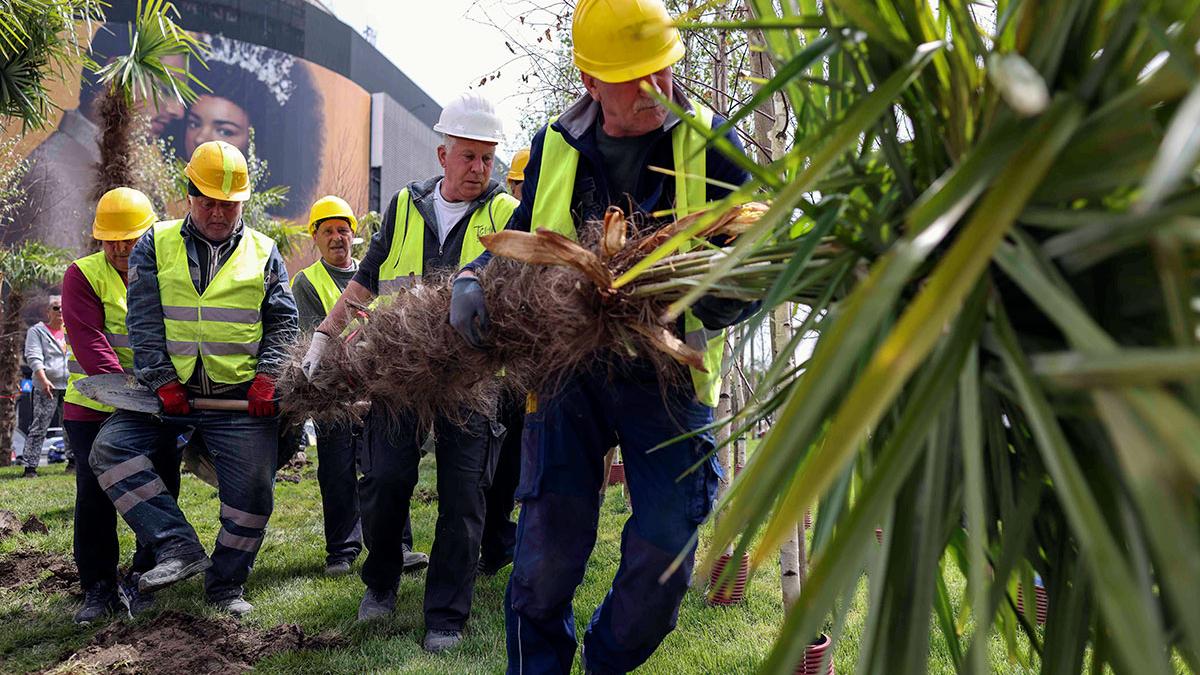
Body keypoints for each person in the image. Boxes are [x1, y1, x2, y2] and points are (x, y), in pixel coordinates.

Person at [448, 1, 755, 671]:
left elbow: (757, 257)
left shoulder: (713, 145)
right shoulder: (556, 145)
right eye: (634, 76)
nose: (656, 88)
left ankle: (606, 660)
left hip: (669, 378)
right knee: (546, 557)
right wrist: (472, 278)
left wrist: (729, 294)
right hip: (569, 372)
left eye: (662, 68)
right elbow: (525, 237)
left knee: (667, 548)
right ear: (589, 80)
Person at [300, 92, 519, 653]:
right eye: (468, 156)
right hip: (399, 374)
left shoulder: (505, 214)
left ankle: (445, 614)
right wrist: (325, 335)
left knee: (463, 495)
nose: (479, 168)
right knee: (384, 481)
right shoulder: (404, 205)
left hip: (470, 382)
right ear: (443, 154)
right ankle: (381, 582)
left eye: (487, 158)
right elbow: (366, 279)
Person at [89, 140, 299, 617]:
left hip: (239, 397)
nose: (219, 213)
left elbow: (284, 324)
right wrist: (162, 380)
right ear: (189, 196)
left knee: (254, 494)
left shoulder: (265, 253)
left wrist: (268, 376)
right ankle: (176, 545)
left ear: (243, 202)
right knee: (110, 449)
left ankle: (226, 585)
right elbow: (143, 320)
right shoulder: (154, 244)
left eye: (229, 204)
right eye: (208, 202)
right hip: (167, 396)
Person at [61, 187, 183, 623]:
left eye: (129, 239)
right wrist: (131, 395)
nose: (120, 248)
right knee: (95, 496)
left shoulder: (168, 272)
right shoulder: (83, 275)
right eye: (110, 240)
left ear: (148, 234)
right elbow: (91, 343)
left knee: (159, 486)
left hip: (157, 406)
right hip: (93, 407)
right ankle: (98, 588)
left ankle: (145, 576)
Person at [290, 195, 428, 578]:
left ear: (354, 235)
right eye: (328, 231)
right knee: (337, 471)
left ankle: (397, 546)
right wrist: (342, 391)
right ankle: (342, 550)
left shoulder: (375, 274)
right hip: (334, 394)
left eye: (343, 230)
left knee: (386, 468)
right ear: (315, 237)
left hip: (379, 390)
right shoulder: (307, 282)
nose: (337, 238)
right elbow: (312, 340)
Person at [6, 27, 186, 250]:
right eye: (165, 89)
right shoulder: (52, 175)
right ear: (117, 77)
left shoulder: (133, 169)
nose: (178, 110)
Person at [477, 149, 531, 577]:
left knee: (523, 464)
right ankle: (494, 544)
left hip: (534, 371)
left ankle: (509, 544)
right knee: (495, 467)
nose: (525, 194)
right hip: (498, 373)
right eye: (520, 186)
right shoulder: (502, 229)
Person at [22, 296, 68, 477]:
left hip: (70, 386)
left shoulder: (71, 330)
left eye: (63, 308)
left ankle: (73, 462)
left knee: (71, 425)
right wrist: (42, 379)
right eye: (56, 308)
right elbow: (33, 356)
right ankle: (30, 467)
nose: (60, 311)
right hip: (46, 386)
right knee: (39, 425)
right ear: (48, 312)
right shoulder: (37, 331)